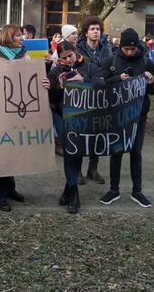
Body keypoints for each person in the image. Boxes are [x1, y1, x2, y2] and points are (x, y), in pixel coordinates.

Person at [0, 24, 49, 211]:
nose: (22, 38)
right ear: (9, 37)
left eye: (22, 36)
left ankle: (10, 189)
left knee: (12, 150)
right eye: (19, 36)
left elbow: (32, 80)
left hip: (16, 112)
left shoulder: (25, 56)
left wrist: (43, 81)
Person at [96, 28, 154, 208]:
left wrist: (150, 81)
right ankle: (113, 189)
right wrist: (118, 78)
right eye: (126, 49)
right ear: (120, 46)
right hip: (117, 115)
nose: (130, 52)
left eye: (132, 49)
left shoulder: (146, 61)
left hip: (138, 115)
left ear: (137, 46)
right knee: (116, 152)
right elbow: (99, 82)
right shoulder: (111, 61)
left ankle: (137, 191)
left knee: (136, 153)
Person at [48, 41, 105, 213]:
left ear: (75, 52)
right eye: (64, 58)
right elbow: (50, 95)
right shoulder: (56, 71)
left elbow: (102, 85)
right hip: (62, 116)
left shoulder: (89, 67)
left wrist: (83, 80)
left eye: (70, 56)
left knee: (77, 152)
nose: (68, 61)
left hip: (84, 117)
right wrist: (57, 85)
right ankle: (74, 194)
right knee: (69, 153)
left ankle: (68, 190)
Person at [75, 17, 112, 185]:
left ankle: (93, 169)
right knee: (80, 134)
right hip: (81, 97)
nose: (95, 31)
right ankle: (77, 171)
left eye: (98, 29)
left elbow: (111, 69)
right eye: (92, 29)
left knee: (97, 133)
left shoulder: (107, 49)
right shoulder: (78, 50)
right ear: (86, 32)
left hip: (101, 96)